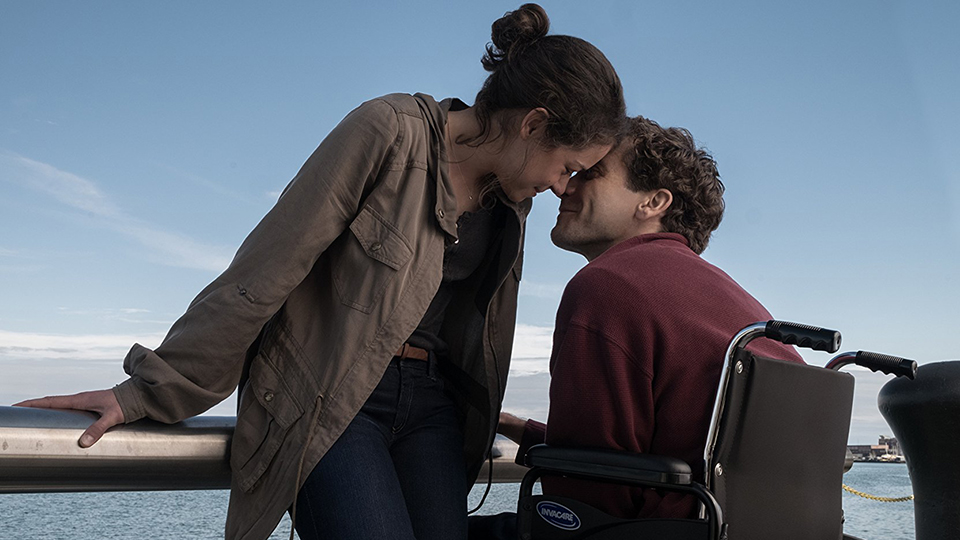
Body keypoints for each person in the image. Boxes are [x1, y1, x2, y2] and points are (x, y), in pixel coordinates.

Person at [14, 5, 625, 540]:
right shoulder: (389, 132)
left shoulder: (508, 199)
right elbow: (266, 266)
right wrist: (152, 388)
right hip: (336, 399)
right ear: (534, 124)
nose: (560, 186)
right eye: (568, 166)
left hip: (437, 411)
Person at [471, 116, 802, 538]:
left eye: (589, 174)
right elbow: (661, 449)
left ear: (652, 202)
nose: (564, 186)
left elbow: (586, 493)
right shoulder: (740, 305)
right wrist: (521, 429)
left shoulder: (608, 286)